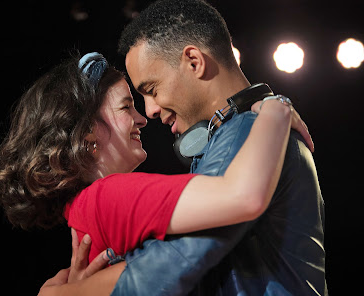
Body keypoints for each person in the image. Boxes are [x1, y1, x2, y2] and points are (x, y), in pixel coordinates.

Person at [41, 0, 326, 295]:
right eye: (131, 104)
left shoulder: (248, 132)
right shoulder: (258, 128)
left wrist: (69, 293)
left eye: (151, 90)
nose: (148, 111)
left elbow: (174, 261)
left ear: (194, 61)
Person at [0, 50, 304, 294]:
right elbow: (242, 196)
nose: (143, 118)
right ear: (87, 134)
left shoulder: (82, 212)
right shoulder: (108, 195)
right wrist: (275, 108)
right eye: (126, 107)